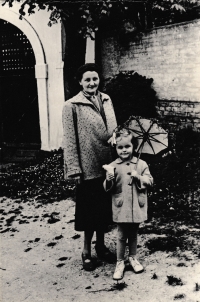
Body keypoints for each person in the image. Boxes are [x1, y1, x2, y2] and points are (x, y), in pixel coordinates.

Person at [62, 63, 117, 271]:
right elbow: (70, 140)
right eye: (87, 80)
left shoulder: (106, 99)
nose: (92, 83)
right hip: (88, 166)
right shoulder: (71, 106)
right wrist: (74, 169)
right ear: (79, 82)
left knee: (104, 207)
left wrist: (117, 140)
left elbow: (113, 127)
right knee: (88, 210)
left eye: (95, 79)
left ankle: (101, 247)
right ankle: (86, 251)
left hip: (108, 164)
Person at [103, 128, 153, 280]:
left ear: (134, 147)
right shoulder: (113, 166)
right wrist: (110, 179)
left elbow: (150, 181)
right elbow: (107, 188)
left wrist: (138, 177)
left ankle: (132, 257)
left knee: (133, 233)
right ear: (115, 148)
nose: (124, 150)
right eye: (120, 147)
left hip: (136, 205)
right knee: (121, 234)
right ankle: (120, 262)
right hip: (121, 205)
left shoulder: (141, 164)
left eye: (127, 146)